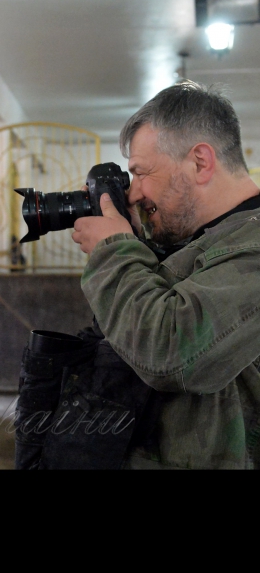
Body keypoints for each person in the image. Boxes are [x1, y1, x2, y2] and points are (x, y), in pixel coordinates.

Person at [71, 80, 260, 469]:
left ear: (200, 162)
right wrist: (138, 246)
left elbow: (171, 351)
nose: (134, 193)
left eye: (141, 173)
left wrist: (115, 254)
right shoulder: (205, 240)